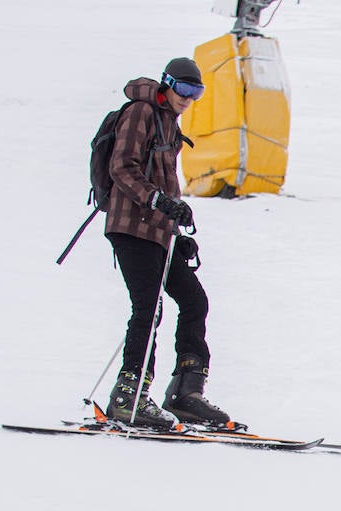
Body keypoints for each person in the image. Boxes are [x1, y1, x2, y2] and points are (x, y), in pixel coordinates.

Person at [103, 57, 232, 429]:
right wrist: (158, 201)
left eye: (197, 93)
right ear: (167, 83)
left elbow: (164, 184)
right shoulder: (140, 113)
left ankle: (185, 393)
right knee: (148, 308)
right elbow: (121, 167)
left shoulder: (168, 123)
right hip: (130, 226)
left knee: (194, 299)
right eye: (185, 90)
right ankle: (129, 397)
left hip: (158, 232)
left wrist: (176, 228)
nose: (189, 99)